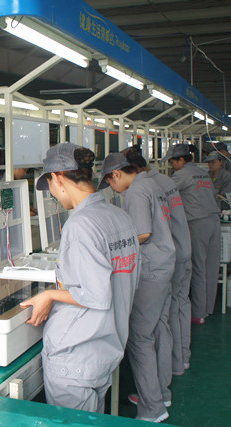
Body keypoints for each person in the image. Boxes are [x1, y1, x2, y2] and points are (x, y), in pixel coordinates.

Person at [20, 143, 139, 414]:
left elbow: (96, 294)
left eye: (50, 185)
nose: (52, 193)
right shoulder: (119, 217)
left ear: (58, 178)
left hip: (76, 355)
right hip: (106, 347)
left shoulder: (81, 224)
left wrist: (49, 294)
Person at [99, 152, 175, 423]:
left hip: (151, 269)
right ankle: (159, 393)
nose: (112, 189)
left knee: (140, 338)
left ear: (117, 174)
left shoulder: (135, 191)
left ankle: (152, 408)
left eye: (110, 183)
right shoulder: (151, 183)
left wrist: (109, 247)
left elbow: (142, 233)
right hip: (164, 264)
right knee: (158, 329)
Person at [122, 146, 192, 376]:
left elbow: (144, 232)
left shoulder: (140, 189)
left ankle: (167, 375)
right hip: (176, 250)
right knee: (172, 313)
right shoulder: (161, 182)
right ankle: (178, 363)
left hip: (161, 259)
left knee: (153, 327)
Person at [162, 144, 220, 325]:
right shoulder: (202, 173)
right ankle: (208, 308)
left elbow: (162, 191)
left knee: (198, 267)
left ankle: (198, 312)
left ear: (181, 160)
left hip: (198, 223)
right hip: (214, 221)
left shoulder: (182, 174)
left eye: (173, 162)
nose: (172, 166)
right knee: (211, 267)